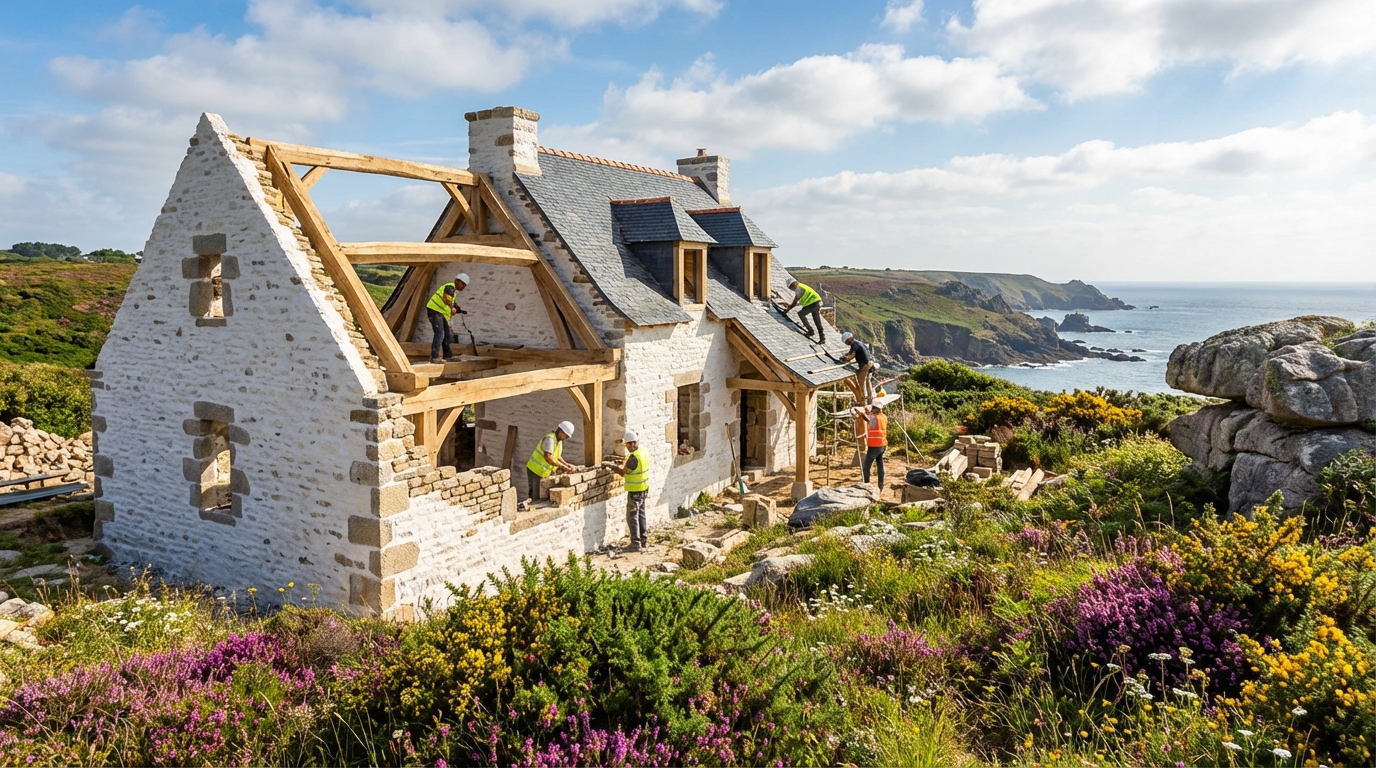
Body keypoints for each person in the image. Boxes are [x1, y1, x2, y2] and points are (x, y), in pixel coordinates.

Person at [611, 431, 649, 551]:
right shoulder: (642, 452)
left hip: (635, 491)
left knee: (632, 516)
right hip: (644, 488)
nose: (629, 446)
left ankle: (635, 543)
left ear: (631, 444)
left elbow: (623, 472)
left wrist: (612, 467)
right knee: (641, 514)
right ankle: (643, 539)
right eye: (628, 444)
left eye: (629, 444)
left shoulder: (633, 457)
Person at [526, 420, 577, 501]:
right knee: (536, 495)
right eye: (566, 435)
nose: (566, 438)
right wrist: (561, 466)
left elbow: (558, 456)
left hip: (543, 472)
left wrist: (567, 465)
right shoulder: (550, 439)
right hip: (535, 470)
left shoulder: (558, 441)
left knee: (541, 495)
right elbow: (547, 457)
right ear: (560, 431)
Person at [425, 273, 469, 364]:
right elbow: (446, 299)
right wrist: (452, 307)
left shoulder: (453, 291)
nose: (464, 287)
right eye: (463, 284)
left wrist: (459, 310)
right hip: (434, 310)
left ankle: (448, 355)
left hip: (440, 313)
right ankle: (434, 357)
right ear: (457, 281)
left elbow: (453, 303)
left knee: (447, 335)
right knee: (439, 333)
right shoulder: (450, 287)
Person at [855, 403, 888, 489]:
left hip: (874, 445)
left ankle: (866, 485)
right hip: (882, 445)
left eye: (873, 408)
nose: (872, 410)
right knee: (880, 464)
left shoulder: (874, 417)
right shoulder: (883, 417)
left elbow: (868, 419)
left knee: (866, 467)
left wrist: (862, 413)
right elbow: (871, 418)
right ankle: (881, 485)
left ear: (876, 409)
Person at [782, 279, 825, 343]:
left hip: (812, 303)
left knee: (801, 314)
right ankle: (822, 338)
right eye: (790, 288)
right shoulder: (801, 286)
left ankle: (810, 331)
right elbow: (797, 300)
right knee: (817, 320)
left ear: (794, 283)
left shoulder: (799, 288)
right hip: (816, 302)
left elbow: (795, 301)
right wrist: (790, 307)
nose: (792, 288)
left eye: (791, 286)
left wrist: (788, 309)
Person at [840, 331, 875, 404]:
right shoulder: (859, 343)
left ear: (850, 339)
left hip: (865, 364)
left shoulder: (854, 344)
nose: (846, 343)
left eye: (846, 341)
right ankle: (870, 399)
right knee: (868, 381)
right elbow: (852, 352)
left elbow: (851, 355)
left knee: (860, 383)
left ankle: (862, 401)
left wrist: (845, 358)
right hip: (870, 362)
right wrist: (846, 355)